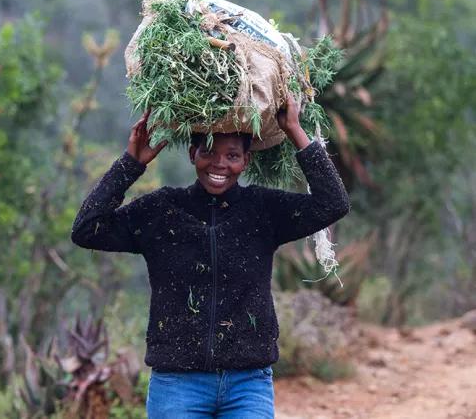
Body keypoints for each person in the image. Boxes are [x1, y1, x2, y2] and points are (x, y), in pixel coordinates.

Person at [71, 97, 350, 418]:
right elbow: (86, 230)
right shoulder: (160, 212)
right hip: (177, 383)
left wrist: (294, 129)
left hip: (248, 383)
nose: (220, 164)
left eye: (232, 156)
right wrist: (131, 163)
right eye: (208, 152)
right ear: (192, 154)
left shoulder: (263, 211)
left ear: (246, 160)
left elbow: (333, 204)